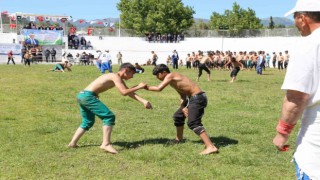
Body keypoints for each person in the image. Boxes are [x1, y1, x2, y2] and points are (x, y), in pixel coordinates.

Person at [273, 1, 320, 179]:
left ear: (303, 18)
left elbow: (296, 97)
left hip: (316, 143)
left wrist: (282, 133)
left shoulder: (308, 45)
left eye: (294, 17)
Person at [68, 63, 152, 154]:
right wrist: (139, 87)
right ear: (126, 70)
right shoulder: (114, 76)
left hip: (82, 95)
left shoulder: (116, 77)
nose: (132, 77)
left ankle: (72, 143)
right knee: (109, 116)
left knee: (88, 121)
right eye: (132, 73)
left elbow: (128, 92)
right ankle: (106, 144)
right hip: (88, 97)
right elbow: (124, 92)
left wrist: (143, 101)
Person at [145, 64, 218, 155]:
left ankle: (210, 146)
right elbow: (183, 94)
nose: (157, 77)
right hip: (192, 98)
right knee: (178, 116)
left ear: (163, 72)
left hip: (198, 98)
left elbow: (159, 88)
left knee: (193, 123)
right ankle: (179, 139)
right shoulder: (172, 81)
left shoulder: (170, 75)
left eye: (157, 75)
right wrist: (183, 107)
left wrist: (145, 87)